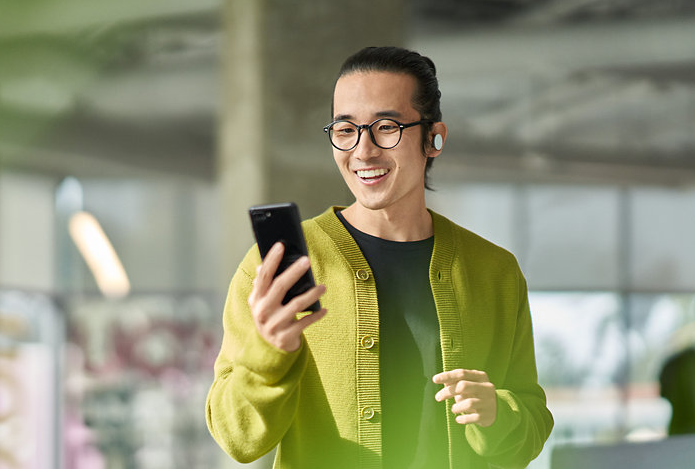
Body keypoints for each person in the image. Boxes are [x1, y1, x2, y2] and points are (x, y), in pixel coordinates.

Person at [206, 46, 553, 468]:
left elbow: (533, 423)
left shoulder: (494, 271)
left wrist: (497, 413)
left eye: (386, 127)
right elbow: (237, 440)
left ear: (434, 137)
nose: (363, 151)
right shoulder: (279, 267)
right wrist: (267, 356)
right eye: (345, 129)